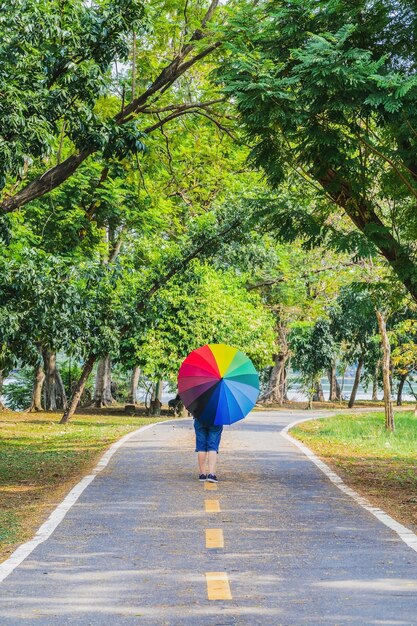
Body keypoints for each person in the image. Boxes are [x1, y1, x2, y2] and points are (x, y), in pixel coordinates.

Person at [193, 416, 223, 483]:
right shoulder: (220, 404)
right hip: (216, 419)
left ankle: (202, 474)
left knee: (201, 447)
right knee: (213, 446)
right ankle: (211, 474)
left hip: (199, 418)